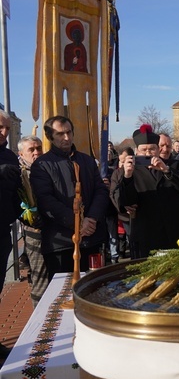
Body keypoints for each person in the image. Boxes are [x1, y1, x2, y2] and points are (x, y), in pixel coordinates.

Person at [30, 115, 109, 279]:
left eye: (69, 132)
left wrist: (92, 219)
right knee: (64, 293)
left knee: (95, 288)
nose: (66, 138)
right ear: (50, 137)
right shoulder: (42, 165)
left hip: (92, 238)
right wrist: (77, 223)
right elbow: (46, 200)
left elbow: (100, 191)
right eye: (60, 134)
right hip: (61, 242)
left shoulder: (87, 160)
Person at [111, 124, 179, 258]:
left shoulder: (173, 165)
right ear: (136, 151)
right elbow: (123, 202)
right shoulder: (124, 172)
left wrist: (166, 170)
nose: (148, 153)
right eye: (143, 150)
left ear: (158, 150)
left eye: (152, 149)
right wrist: (127, 176)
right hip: (145, 236)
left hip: (174, 235)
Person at [17, 136, 47, 306]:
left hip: (54, 230)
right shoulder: (19, 175)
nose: (36, 153)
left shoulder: (46, 169)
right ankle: (40, 319)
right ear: (21, 153)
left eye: (39, 148)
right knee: (40, 279)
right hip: (35, 233)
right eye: (31, 150)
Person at [0, 109, 22, 297]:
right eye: (0, 127)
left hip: (2, 231)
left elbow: (17, 192)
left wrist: (20, 211)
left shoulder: (10, 156)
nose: (5, 132)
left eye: (7, 128)